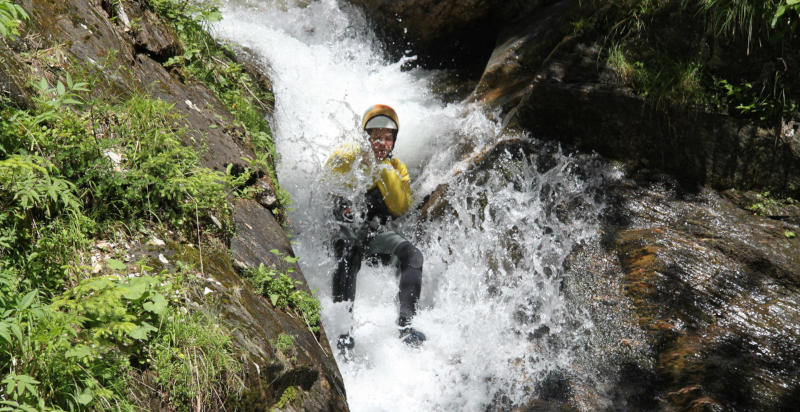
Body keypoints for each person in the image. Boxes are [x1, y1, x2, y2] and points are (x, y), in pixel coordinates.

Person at [326, 104, 426, 349]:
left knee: (412, 254)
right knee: (351, 251)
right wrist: (358, 155)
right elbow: (329, 173)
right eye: (376, 137)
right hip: (345, 234)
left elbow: (400, 204)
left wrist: (382, 171)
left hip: (374, 235)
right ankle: (343, 333)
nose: (382, 143)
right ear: (366, 138)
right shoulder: (351, 156)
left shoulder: (397, 168)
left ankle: (406, 325)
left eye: (388, 138)